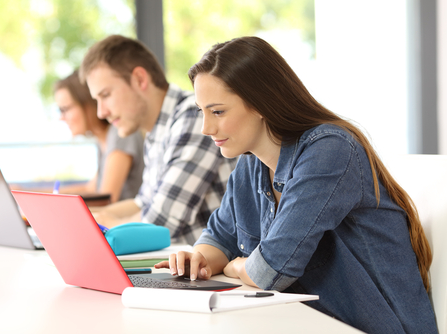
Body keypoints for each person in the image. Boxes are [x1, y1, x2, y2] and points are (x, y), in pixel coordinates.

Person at [154, 36, 437, 333]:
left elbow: (271, 270)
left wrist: (236, 267)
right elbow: (219, 238)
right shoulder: (250, 164)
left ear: (261, 103)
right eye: (202, 111)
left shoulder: (330, 150)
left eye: (218, 111)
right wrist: (199, 260)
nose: (206, 128)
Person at [79, 35, 236, 244]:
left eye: (106, 95)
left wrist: (103, 223)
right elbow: (142, 203)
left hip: (207, 269)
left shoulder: (193, 116)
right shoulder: (156, 132)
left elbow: (160, 224)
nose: (101, 112)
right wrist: (86, 217)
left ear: (140, 80)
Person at [52, 70, 144, 203]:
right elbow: (90, 188)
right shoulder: (103, 140)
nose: (62, 118)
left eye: (65, 109)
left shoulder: (120, 134)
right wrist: (25, 192)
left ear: (88, 105)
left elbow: (105, 200)